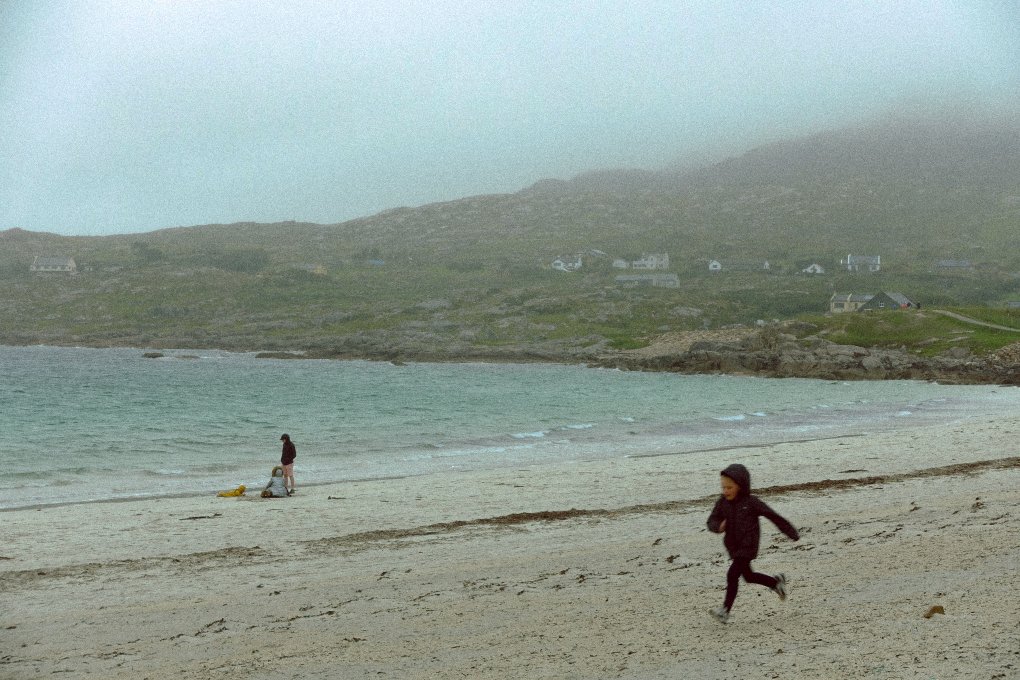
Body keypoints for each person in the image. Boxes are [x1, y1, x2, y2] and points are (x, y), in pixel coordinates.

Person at [706, 463, 800, 624]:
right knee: (748, 576)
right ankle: (775, 583)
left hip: (748, 545)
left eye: (729, 487)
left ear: (741, 486)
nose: (725, 491)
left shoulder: (751, 502)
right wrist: (718, 526)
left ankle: (725, 611)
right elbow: (712, 520)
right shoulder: (722, 502)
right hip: (733, 546)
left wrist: (790, 532)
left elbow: (772, 515)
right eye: (723, 487)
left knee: (732, 574)